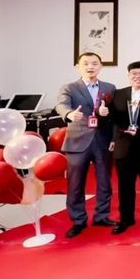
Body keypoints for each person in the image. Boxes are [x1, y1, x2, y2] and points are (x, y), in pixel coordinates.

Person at [55, 52, 118, 238]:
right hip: (77, 140)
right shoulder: (69, 87)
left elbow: (115, 115)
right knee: (75, 184)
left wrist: (114, 138)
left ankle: (101, 216)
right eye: (86, 63)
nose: (90, 67)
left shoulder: (109, 87)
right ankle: (78, 220)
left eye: (94, 63)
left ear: (101, 66)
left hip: (102, 140)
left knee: (104, 182)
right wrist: (69, 114)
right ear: (78, 67)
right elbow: (61, 105)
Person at [109, 61, 140, 234]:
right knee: (125, 185)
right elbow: (112, 118)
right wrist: (102, 113)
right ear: (129, 76)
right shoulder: (118, 94)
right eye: (134, 74)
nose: (138, 77)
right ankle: (126, 218)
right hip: (124, 146)